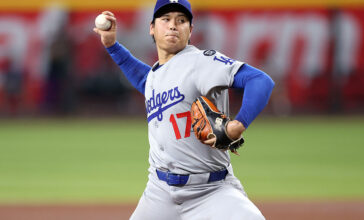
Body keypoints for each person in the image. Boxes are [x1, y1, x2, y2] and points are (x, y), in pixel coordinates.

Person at [93, 0, 274, 219]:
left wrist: (239, 123)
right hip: (159, 192)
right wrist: (112, 46)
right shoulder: (156, 73)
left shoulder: (202, 62)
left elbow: (260, 80)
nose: (173, 25)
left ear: (190, 31)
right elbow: (145, 80)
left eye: (181, 21)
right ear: (152, 28)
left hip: (212, 191)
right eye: (166, 19)